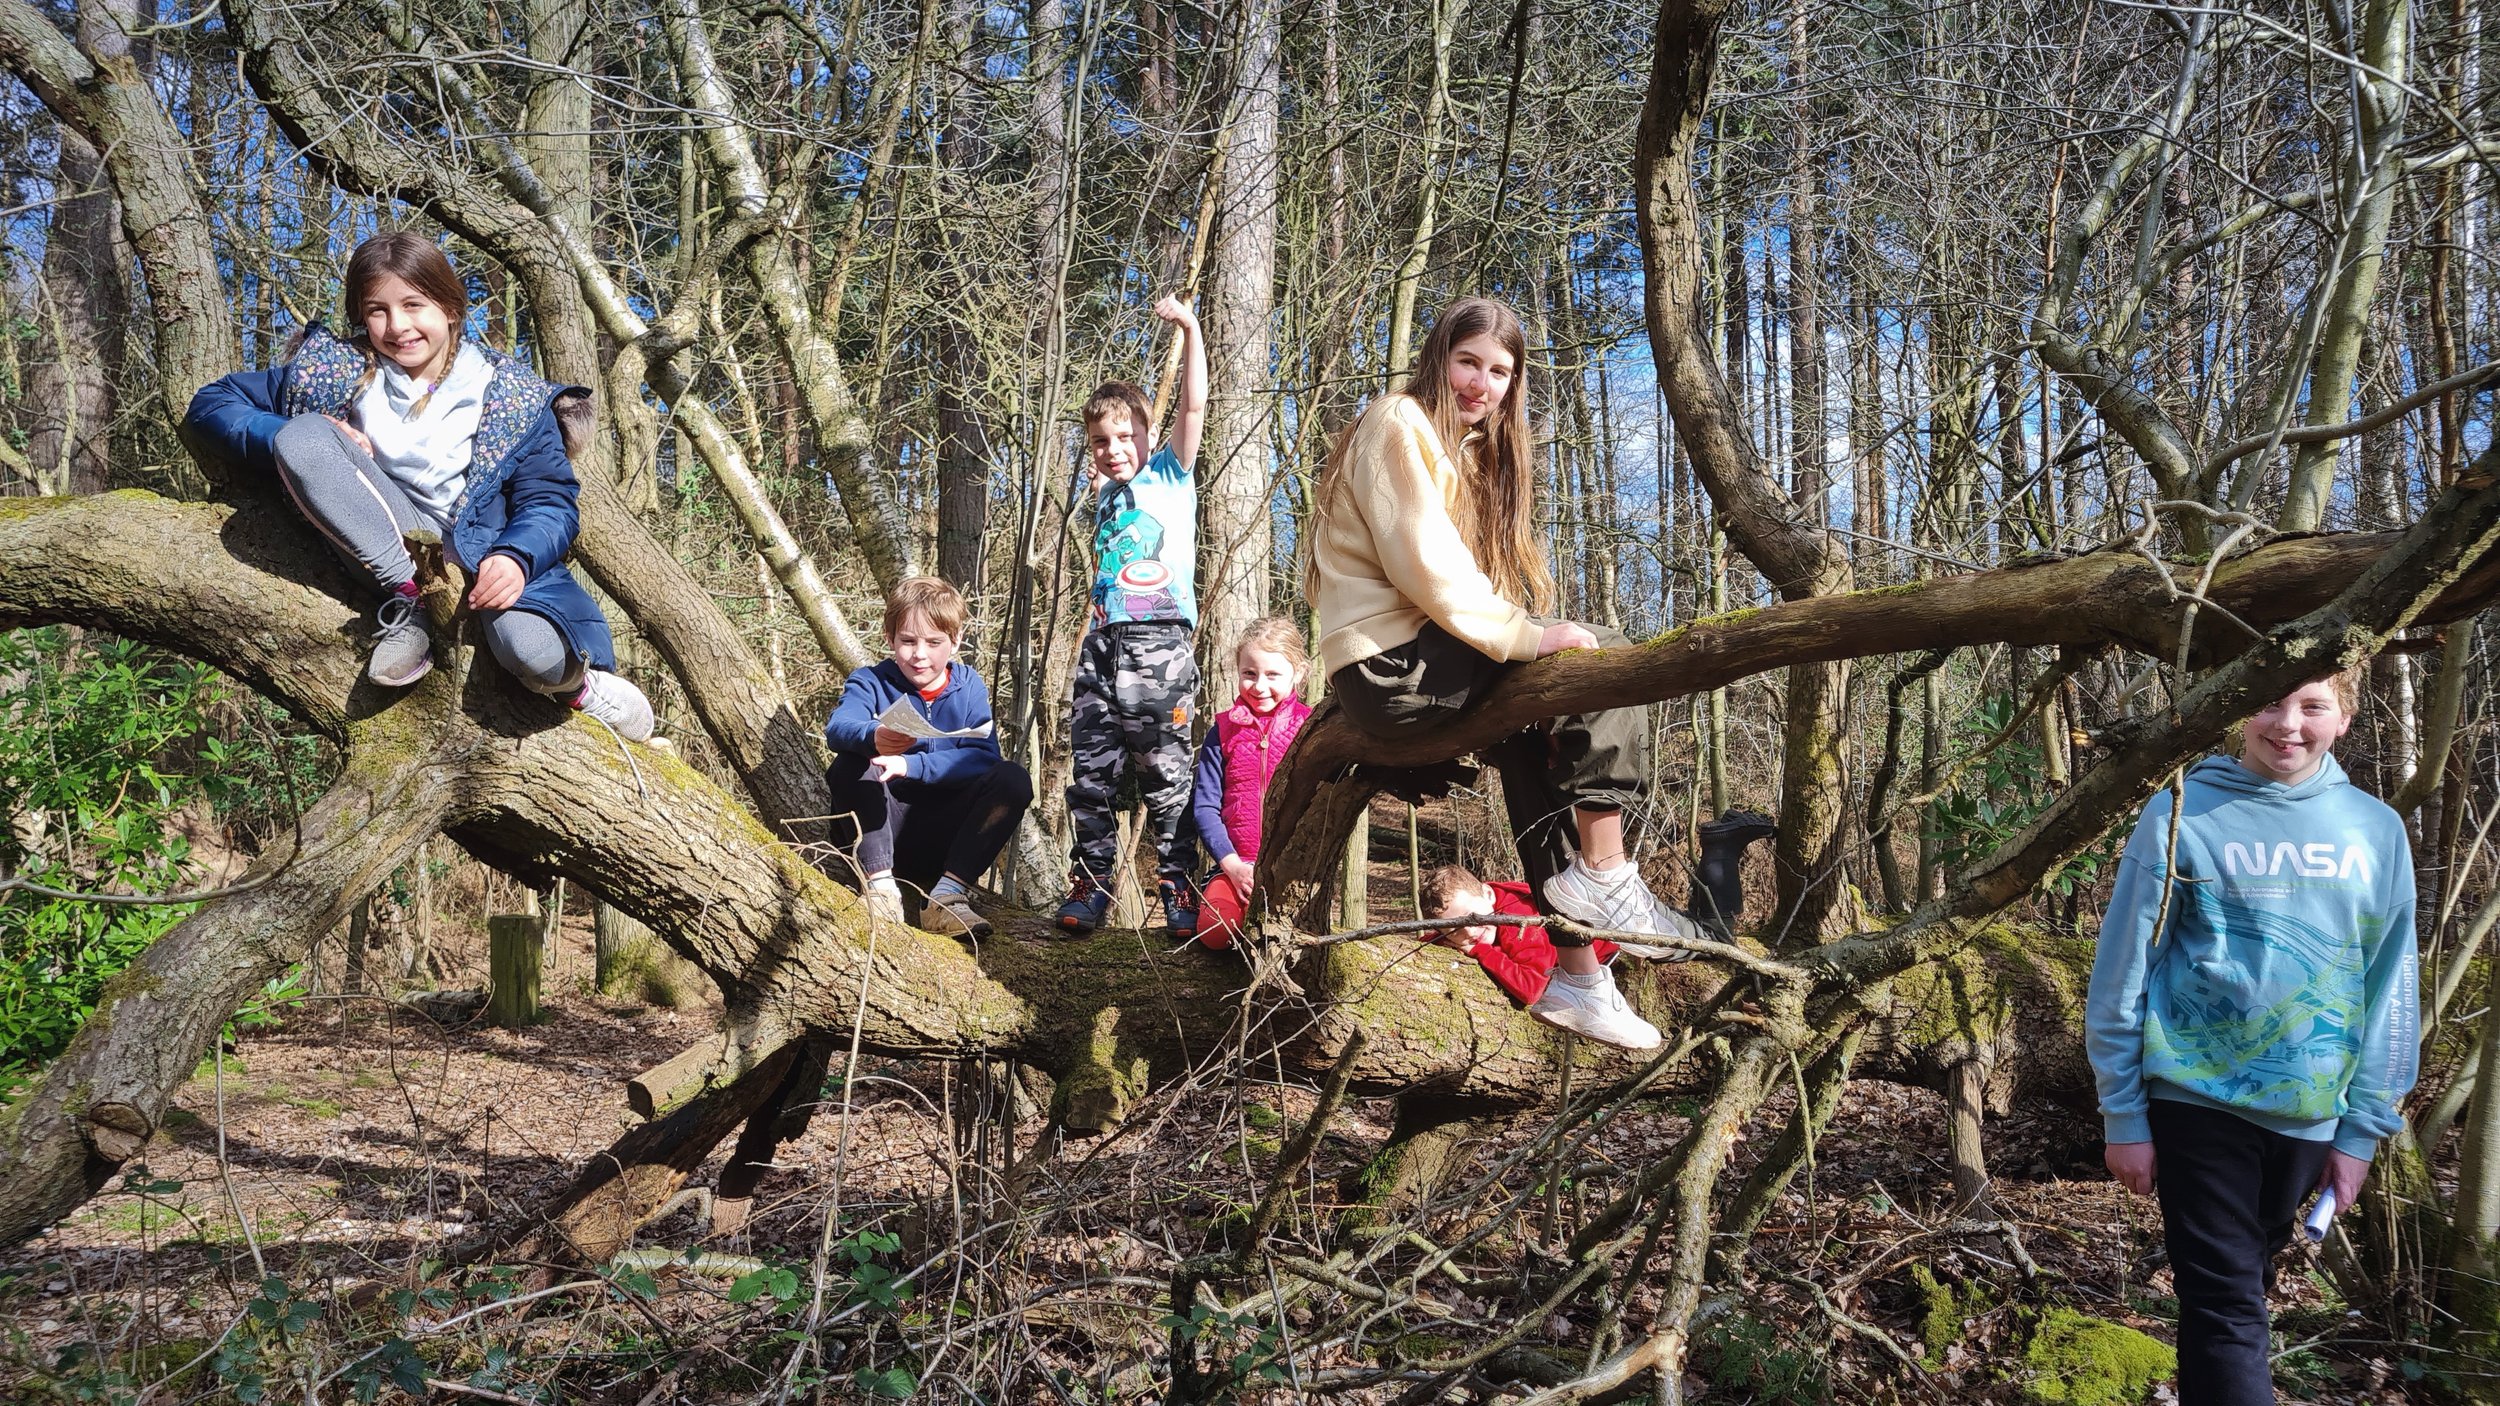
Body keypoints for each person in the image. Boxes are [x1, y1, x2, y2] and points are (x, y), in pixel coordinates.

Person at [1304, 295, 1738, 1051]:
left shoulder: (1462, 453)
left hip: (1411, 660)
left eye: (1499, 371)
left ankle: (1576, 975)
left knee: (1532, 748)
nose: (1480, 383)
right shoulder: (1398, 422)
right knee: (1595, 654)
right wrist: (1523, 637)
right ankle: (1607, 878)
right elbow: (1425, 565)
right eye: (1467, 361)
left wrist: (1518, 638)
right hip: (1390, 666)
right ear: (1439, 357)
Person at [2086, 669, 2419, 1406]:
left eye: (2313, 706)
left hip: (2312, 1111)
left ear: (2346, 718)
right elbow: (2122, 972)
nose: (2288, 724)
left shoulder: (2374, 829)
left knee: (2245, 1288)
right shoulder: (2180, 814)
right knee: (2224, 1305)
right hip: (2196, 1100)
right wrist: (2124, 1114)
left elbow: (2390, 989)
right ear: (2240, 706)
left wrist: (2362, 1132)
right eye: (2271, 700)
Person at [181, 232, 654, 740]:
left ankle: (583, 691)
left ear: (450, 307)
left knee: (530, 652)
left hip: (491, 565)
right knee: (302, 437)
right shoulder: (329, 373)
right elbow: (211, 405)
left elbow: (550, 501)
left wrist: (517, 557)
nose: (398, 325)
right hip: (394, 556)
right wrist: (299, 428)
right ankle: (415, 603)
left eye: (414, 304)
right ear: (361, 316)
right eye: (377, 310)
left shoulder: (513, 396)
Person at [1057, 295, 1207, 939]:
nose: (1114, 449)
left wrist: (1190, 328)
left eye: (1126, 436)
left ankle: (1178, 886)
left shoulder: (1171, 476)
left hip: (1159, 643)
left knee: (1165, 774)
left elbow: (1194, 407)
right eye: (1101, 441)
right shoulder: (1106, 493)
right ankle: (1090, 884)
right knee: (1090, 772)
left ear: (1150, 435)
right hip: (1100, 645)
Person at [823, 577, 1035, 939]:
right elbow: (838, 727)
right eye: (907, 641)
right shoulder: (870, 682)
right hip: (880, 827)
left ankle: (947, 897)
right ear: (890, 639)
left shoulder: (969, 686)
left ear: (956, 640)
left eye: (934, 642)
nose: (919, 654)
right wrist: (874, 737)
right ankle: (881, 892)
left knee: (1013, 779)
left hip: (945, 838)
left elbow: (984, 756)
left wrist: (911, 765)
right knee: (849, 763)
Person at [1188, 617, 1314, 949]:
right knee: (1215, 935)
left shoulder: (1310, 726)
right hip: (1236, 867)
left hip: (1294, 871)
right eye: (1249, 673)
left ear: (1298, 673)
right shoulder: (1223, 729)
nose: (1259, 686)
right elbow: (1204, 807)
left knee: (1292, 946)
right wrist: (1230, 864)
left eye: (1273, 675)